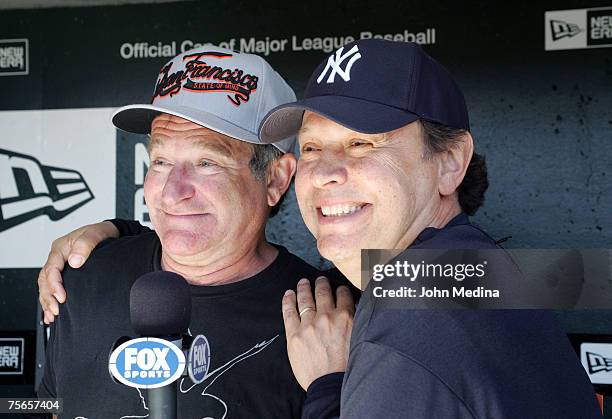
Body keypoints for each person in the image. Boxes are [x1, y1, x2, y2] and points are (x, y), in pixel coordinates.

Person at [39, 40, 601, 418]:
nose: (329, 173)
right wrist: (119, 232)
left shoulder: (360, 318)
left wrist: (329, 389)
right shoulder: (460, 275)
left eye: (363, 144)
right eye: (313, 148)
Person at [37, 45, 354, 419]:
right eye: (160, 161)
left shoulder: (328, 319)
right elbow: (45, 406)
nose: (172, 191)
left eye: (206, 162)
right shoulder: (78, 277)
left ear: (276, 178)